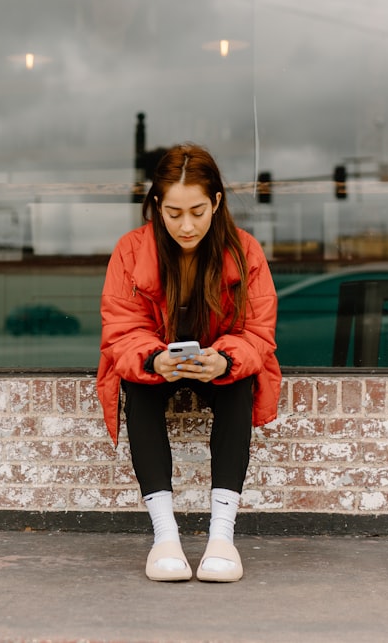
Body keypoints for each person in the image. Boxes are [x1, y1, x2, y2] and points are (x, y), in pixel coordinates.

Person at [96, 143, 281, 582]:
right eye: (174, 212)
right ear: (156, 206)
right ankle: (165, 537)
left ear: (216, 202)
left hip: (217, 363)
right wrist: (153, 359)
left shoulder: (246, 250)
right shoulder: (130, 250)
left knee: (240, 382)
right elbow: (121, 329)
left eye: (197, 211)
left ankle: (222, 537)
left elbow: (259, 332)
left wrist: (227, 359)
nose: (186, 225)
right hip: (158, 361)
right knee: (137, 385)